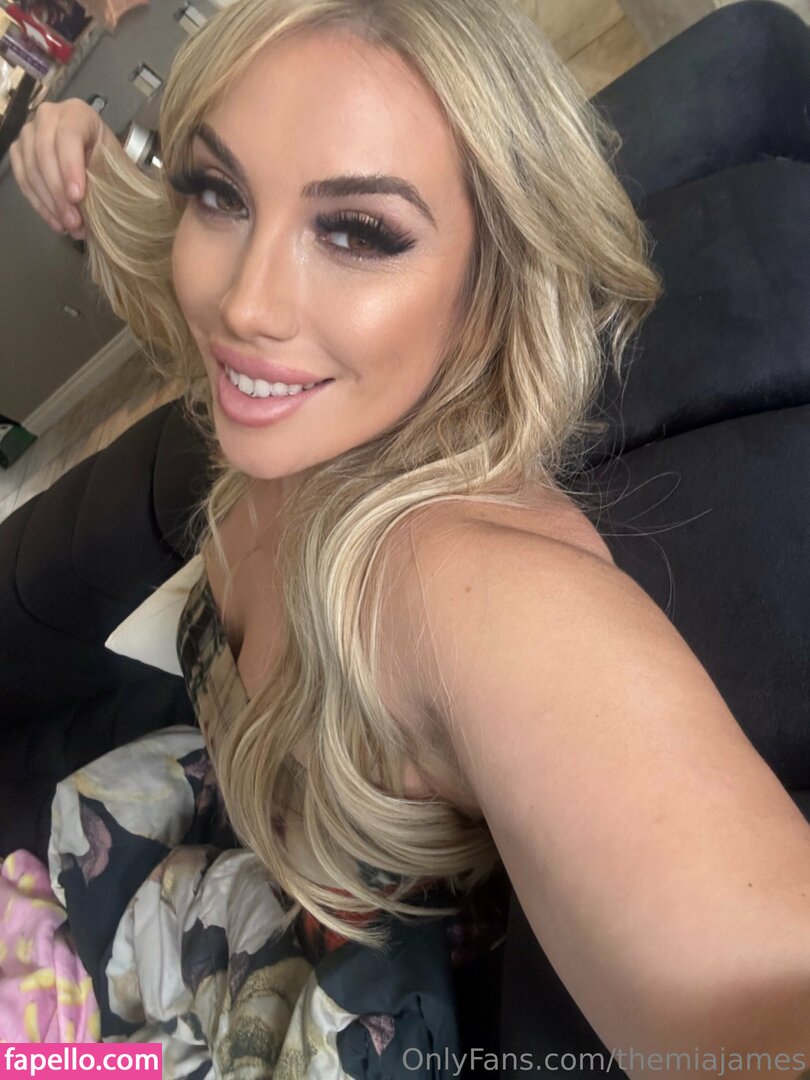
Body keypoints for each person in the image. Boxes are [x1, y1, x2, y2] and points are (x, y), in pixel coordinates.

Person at [10, 0, 810, 1073]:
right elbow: (169, 280)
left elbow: (760, 1010)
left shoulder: (465, 588)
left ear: (492, 280)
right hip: (194, 870)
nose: (246, 305)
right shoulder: (277, 392)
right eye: (221, 191)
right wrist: (77, 153)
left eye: (357, 231)